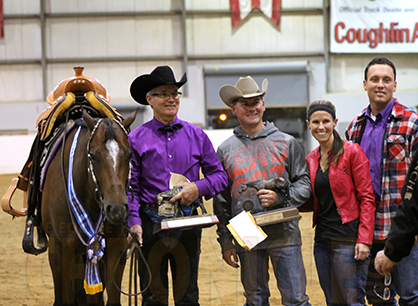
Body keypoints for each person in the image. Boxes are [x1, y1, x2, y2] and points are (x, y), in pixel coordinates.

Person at [127, 65, 228, 306]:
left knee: (188, 295)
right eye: (163, 93)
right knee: (153, 297)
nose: (171, 98)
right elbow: (131, 187)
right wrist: (133, 221)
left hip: (187, 223)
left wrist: (198, 188)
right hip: (150, 225)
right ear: (149, 99)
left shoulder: (197, 135)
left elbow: (219, 176)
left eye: (175, 93)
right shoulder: (135, 139)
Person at [214, 76, 312, 306]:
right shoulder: (225, 150)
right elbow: (221, 200)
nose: (252, 108)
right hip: (245, 228)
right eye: (245, 103)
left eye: (256, 101)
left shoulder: (287, 142)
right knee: (255, 298)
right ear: (233, 109)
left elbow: (304, 183)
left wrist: (281, 197)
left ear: (264, 105)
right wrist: (226, 240)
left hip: (284, 230)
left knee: (296, 299)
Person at [345, 57, 418, 305]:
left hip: (405, 232)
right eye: (374, 79)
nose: (380, 84)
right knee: (377, 300)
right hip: (367, 231)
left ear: (395, 85)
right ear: (364, 84)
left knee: (411, 297)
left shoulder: (412, 123)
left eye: (386, 80)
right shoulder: (354, 128)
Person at [304, 100, 375, 305]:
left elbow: (367, 198)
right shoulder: (311, 159)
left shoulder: (352, 152)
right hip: (322, 241)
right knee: (332, 301)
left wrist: (363, 239)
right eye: (315, 122)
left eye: (326, 121)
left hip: (348, 240)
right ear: (308, 124)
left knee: (352, 300)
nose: (321, 127)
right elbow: (314, 200)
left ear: (335, 122)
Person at [374, 148, 418, 276]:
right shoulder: (355, 129)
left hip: (401, 230)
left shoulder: (411, 128)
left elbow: (412, 200)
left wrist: (392, 252)